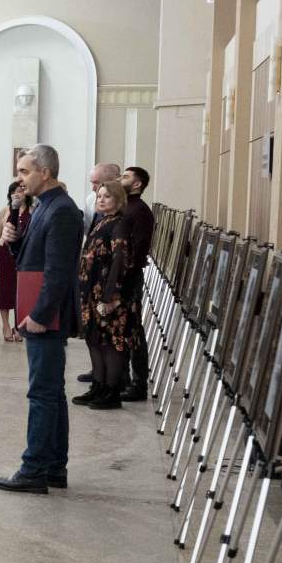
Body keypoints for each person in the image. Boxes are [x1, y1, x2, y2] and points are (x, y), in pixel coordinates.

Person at [0, 143, 85, 495]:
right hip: (39, 311)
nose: (20, 178)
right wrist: (14, 241)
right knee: (52, 392)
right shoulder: (44, 206)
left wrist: (40, 315)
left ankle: (34, 469)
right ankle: (54, 467)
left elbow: (58, 271)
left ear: (44, 173)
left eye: (25, 171)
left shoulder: (62, 210)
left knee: (42, 393)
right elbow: (31, 259)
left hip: (45, 316)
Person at [75, 181, 135, 411]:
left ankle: (112, 391)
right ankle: (98, 386)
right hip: (91, 293)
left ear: (119, 200)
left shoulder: (119, 224)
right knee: (94, 340)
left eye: (107, 196)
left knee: (110, 343)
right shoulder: (101, 221)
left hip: (107, 297)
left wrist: (110, 297)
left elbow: (120, 261)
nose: (101, 200)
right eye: (99, 196)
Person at [119, 167, 155, 401]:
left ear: (137, 184)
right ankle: (121, 377)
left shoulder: (140, 211)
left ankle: (139, 383)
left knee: (133, 329)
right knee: (121, 328)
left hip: (129, 278)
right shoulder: (124, 206)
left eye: (126, 176)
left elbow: (139, 248)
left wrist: (125, 276)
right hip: (120, 276)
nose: (120, 179)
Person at [0, 179, 25, 343]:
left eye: (20, 190)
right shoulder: (4, 211)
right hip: (5, 255)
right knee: (5, 290)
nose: (17, 194)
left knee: (21, 292)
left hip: (24, 256)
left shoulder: (33, 210)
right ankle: (6, 325)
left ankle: (19, 326)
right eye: (13, 191)